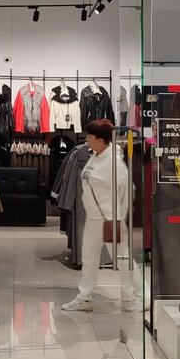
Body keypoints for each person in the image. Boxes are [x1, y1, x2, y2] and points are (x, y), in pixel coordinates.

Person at [62, 119, 141, 313]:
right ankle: (84, 297)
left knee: (122, 259)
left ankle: (135, 297)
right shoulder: (95, 157)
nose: (87, 139)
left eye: (90, 136)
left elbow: (128, 190)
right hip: (93, 219)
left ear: (100, 140)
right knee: (89, 259)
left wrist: (117, 215)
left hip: (109, 219)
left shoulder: (114, 162)